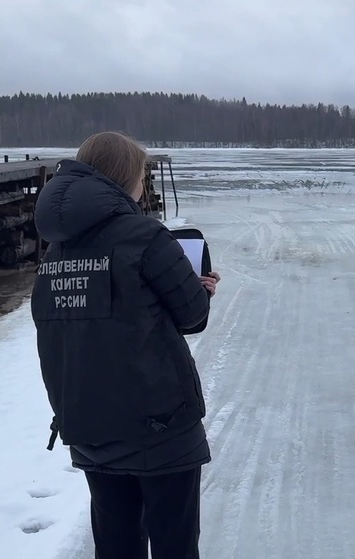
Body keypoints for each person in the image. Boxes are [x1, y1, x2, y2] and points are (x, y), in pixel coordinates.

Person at [30, 131, 220, 559]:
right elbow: (192, 316)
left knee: (115, 545)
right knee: (175, 545)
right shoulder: (145, 236)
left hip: (90, 424)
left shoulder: (56, 250)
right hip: (162, 427)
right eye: (141, 175)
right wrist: (200, 290)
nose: (143, 185)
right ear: (125, 179)